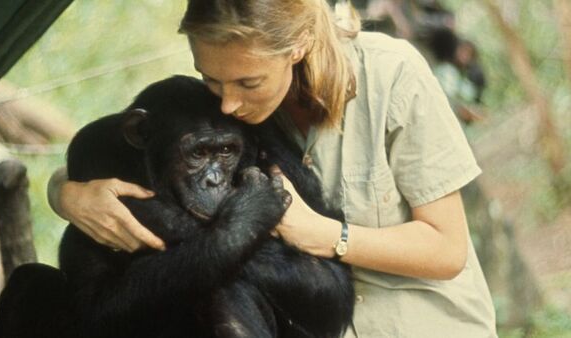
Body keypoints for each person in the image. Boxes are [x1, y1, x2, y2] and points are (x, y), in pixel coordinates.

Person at [47, 0, 498, 336]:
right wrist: (65, 193)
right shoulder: (238, 111)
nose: (228, 102)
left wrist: (324, 236)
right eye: (211, 79)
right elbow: (111, 144)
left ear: (297, 47)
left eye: (248, 82)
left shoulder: (392, 75)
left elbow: (446, 250)